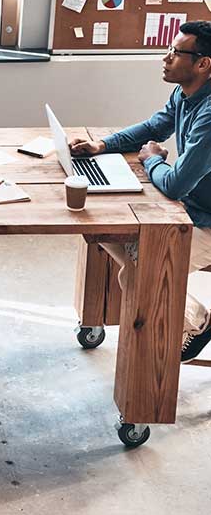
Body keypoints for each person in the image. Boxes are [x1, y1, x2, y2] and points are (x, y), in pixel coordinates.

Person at [70, 21, 211, 362]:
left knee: (138, 272)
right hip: (189, 205)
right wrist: (102, 144)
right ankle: (192, 315)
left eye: (177, 52)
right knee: (101, 227)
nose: (166, 57)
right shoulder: (185, 92)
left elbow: (176, 183)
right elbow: (153, 127)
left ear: (203, 63)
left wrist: (151, 160)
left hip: (206, 219)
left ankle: (188, 324)